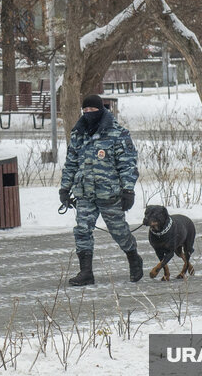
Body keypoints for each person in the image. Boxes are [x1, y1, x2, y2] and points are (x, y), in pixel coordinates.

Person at [59, 94, 143, 286]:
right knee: (82, 230)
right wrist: (65, 188)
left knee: (119, 231)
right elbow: (71, 163)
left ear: (101, 110)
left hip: (109, 193)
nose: (89, 114)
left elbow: (128, 165)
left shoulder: (117, 133)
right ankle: (86, 272)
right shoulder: (78, 133)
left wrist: (128, 190)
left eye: (92, 110)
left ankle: (133, 258)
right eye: (85, 110)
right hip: (85, 194)